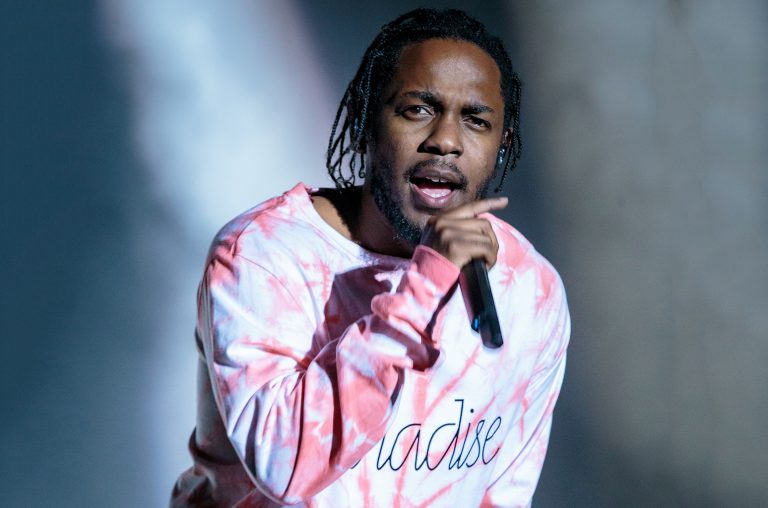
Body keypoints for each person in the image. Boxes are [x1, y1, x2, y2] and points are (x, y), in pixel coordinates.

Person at [171, 8, 570, 507]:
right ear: (366, 122)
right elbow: (285, 467)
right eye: (417, 110)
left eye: (476, 120)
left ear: (502, 144)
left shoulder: (530, 289)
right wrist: (424, 287)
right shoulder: (261, 258)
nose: (446, 140)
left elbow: (503, 492)